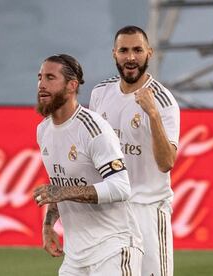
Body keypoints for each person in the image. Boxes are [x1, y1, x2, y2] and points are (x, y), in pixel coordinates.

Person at [33, 54, 143, 275]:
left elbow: (121, 187)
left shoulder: (93, 128)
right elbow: (59, 185)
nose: (41, 85)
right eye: (40, 77)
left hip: (113, 249)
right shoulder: (43, 131)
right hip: (76, 257)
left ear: (71, 85)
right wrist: (48, 225)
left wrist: (62, 192)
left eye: (50, 78)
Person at [89, 26, 180, 276]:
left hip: (147, 210)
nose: (131, 57)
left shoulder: (163, 101)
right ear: (114, 54)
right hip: (111, 211)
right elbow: (93, 154)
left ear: (149, 53)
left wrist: (152, 114)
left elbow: (166, 163)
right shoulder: (100, 93)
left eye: (137, 50)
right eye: (124, 50)